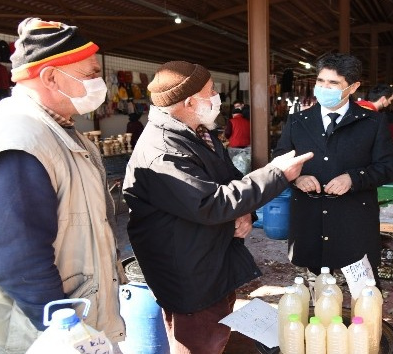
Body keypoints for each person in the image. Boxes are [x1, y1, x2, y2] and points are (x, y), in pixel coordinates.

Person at [0, 18, 126, 352]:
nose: (99, 84)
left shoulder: (56, 131)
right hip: (21, 336)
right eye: (91, 74)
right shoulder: (20, 139)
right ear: (50, 76)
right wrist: (73, 339)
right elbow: (22, 263)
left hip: (59, 323)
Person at [123, 60, 313, 353]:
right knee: (200, 342)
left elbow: (229, 180)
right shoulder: (163, 150)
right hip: (188, 272)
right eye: (211, 91)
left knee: (218, 331)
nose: (217, 98)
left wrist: (245, 212)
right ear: (189, 101)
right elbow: (210, 203)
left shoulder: (199, 133)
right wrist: (276, 174)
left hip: (211, 258)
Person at [273, 53, 393, 278]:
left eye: (333, 83)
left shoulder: (371, 122)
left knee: (363, 293)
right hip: (309, 219)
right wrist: (297, 177)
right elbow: (280, 159)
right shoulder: (297, 122)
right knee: (315, 295)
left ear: (353, 87)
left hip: (353, 220)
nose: (324, 88)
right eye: (321, 81)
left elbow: (391, 166)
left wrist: (354, 178)